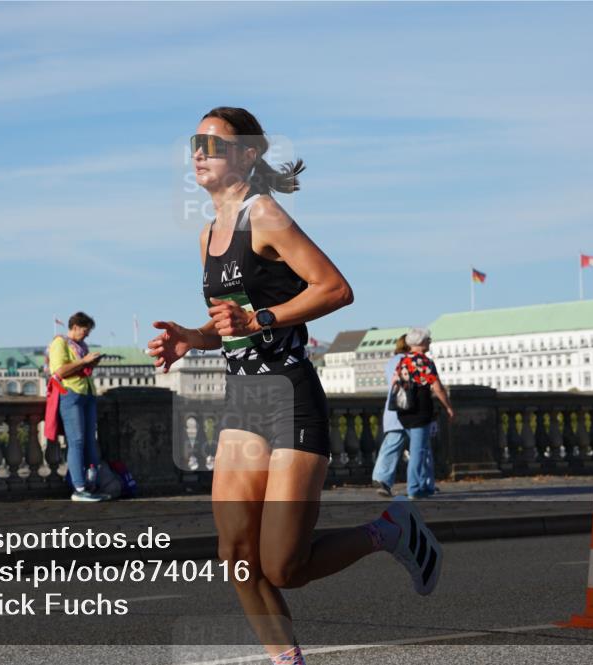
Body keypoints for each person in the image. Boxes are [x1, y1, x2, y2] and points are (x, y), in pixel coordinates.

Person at [147, 107, 443, 665]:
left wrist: (261, 320)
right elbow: (233, 323)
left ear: (248, 154)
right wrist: (194, 337)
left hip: (289, 395)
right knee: (235, 556)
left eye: (213, 142)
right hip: (244, 400)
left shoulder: (265, 214)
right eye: (195, 142)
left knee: (285, 566)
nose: (199, 151)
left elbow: (334, 288)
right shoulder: (211, 232)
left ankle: (391, 527)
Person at [48, 312, 109, 502]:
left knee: (90, 440)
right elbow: (59, 371)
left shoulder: (82, 345)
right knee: (77, 441)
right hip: (70, 394)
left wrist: (92, 363)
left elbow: (81, 369)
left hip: (87, 394)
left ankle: (90, 484)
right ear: (74, 327)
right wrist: (84, 361)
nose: (87, 334)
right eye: (85, 330)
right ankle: (79, 488)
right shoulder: (60, 343)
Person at [392, 328, 454, 500]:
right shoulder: (425, 362)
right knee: (419, 451)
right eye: (428, 339)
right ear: (420, 343)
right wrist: (448, 406)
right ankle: (414, 488)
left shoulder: (403, 361)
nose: (430, 341)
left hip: (404, 411)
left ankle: (426, 485)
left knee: (421, 449)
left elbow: (394, 382)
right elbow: (437, 387)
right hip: (420, 409)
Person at [372, 334, 409, 496]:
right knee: (414, 447)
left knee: (392, 444)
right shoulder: (407, 360)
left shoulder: (392, 361)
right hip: (405, 409)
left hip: (394, 409)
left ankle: (382, 478)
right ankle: (382, 478)